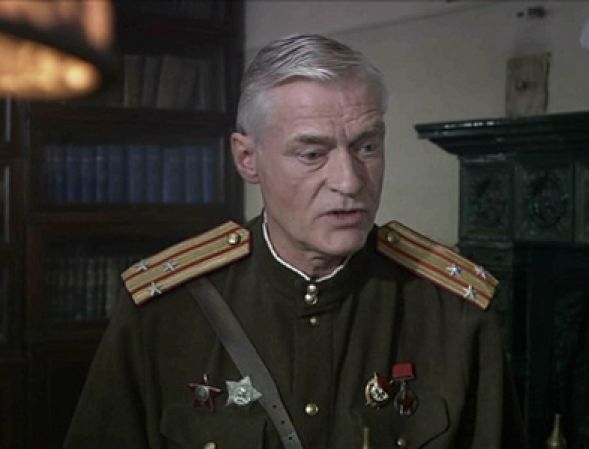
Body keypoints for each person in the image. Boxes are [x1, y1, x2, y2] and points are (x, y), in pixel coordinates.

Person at [64, 34, 527, 449]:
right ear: (247, 158)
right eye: (312, 154)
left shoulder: (454, 314)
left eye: (366, 147)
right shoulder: (164, 312)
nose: (349, 181)